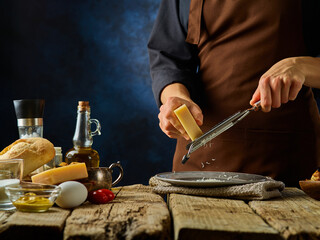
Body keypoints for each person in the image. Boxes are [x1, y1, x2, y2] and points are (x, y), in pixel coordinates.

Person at [147, 0, 320, 186]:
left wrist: (300, 66)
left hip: (287, 162)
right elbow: (168, 58)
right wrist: (176, 98)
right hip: (198, 164)